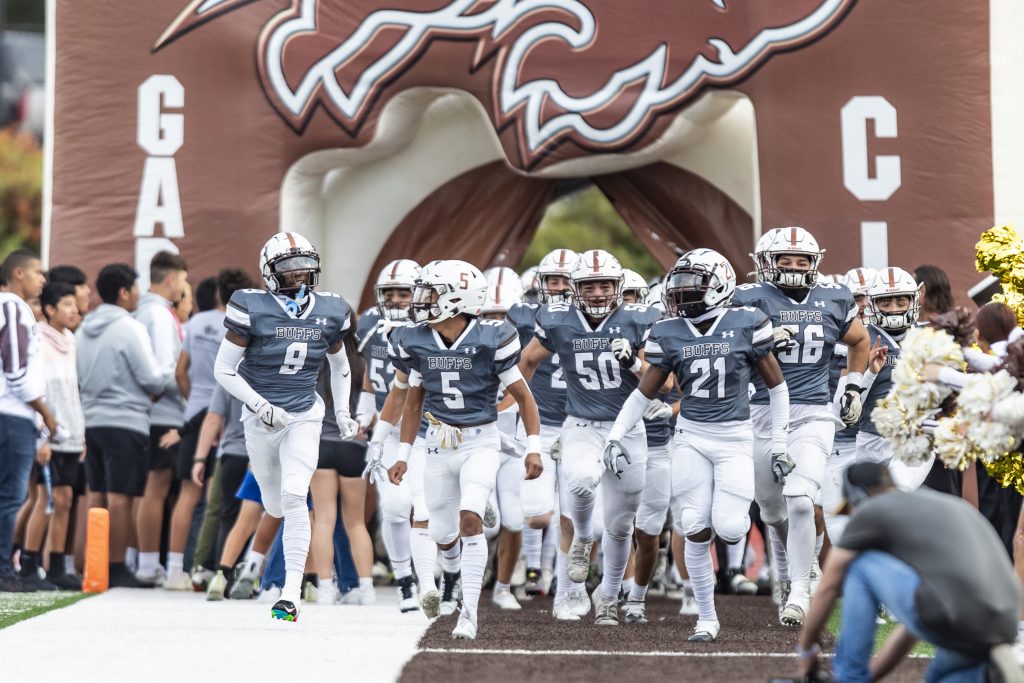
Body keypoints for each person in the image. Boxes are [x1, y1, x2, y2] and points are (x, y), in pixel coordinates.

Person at [606, 249, 790, 641]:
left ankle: (738, 572)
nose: (682, 293)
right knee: (693, 524)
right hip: (691, 436)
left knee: (730, 527)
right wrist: (615, 435)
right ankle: (706, 618)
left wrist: (778, 442)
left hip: (735, 438)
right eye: (680, 284)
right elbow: (643, 393)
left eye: (693, 285)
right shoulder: (669, 331)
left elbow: (777, 387)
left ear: (720, 285)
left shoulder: (747, 322)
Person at [385, 259, 544, 640]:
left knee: (470, 519)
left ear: (457, 298)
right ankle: (452, 570)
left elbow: (524, 398)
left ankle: (468, 614)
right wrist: (404, 453)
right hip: (438, 444)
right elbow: (412, 402)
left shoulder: (492, 337)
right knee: (443, 534)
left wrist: (533, 448)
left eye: (431, 293)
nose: (422, 300)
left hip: (481, 441)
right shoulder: (416, 339)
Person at [513, 249, 662, 626]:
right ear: (575, 289)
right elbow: (527, 362)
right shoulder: (559, 320)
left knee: (619, 524)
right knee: (579, 483)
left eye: (605, 284)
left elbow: (665, 380)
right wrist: (510, 407)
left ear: (617, 286)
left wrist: (633, 362)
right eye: (589, 285)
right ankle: (579, 548)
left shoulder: (638, 319)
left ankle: (608, 597)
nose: (597, 292)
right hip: (580, 423)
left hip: (628, 428)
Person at [213, 232, 357, 622]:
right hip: (260, 419)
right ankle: (285, 580)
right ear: (269, 272)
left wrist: (341, 412)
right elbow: (223, 369)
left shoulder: (330, 310)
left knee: (295, 497)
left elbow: (340, 366)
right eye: (289, 271)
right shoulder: (251, 306)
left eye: (304, 270)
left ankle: (290, 593)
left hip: (303, 414)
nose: (298, 277)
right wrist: (259, 405)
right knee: (273, 502)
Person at [732, 227, 869, 627]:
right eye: (785, 260)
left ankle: (799, 591)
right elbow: (725, 351)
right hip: (759, 412)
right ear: (765, 263)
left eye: (802, 260)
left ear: (815, 263)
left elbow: (859, 342)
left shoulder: (834, 297)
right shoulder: (746, 299)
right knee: (772, 511)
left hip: (812, 413)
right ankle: (799, 567)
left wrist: (852, 386)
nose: (794, 267)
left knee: (800, 498)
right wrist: (758, 342)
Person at [798, 463, 1021, 683]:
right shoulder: (942, 508)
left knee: (859, 566)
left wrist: (806, 649)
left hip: (955, 615)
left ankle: (849, 676)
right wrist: (869, 678)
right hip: (1001, 624)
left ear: (857, 497)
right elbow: (912, 627)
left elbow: (829, 585)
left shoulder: (874, 508)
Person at [77, 263, 176, 588]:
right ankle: (116, 567)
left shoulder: (83, 327)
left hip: (91, 420)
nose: (139, 294)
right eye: (135, 288)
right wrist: (171, 374)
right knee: (123, 497)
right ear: (123, 292)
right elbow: (151, 377)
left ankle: (91, 565)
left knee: (97, 495)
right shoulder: (129, 327)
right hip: (127, 421)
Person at [505, 249, 582, 618]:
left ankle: (557, 578)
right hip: (537, 426)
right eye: (554, 280)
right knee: (537, 512)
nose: (562, 287)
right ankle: (536, 564)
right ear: (542, 284)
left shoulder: (595, 318)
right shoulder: (523, 316)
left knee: (573, 515)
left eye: (568, 279)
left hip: (581, 427)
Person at [352, 259, 422, 612]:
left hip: (431, 430)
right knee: (395, 509)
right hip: (390, 428)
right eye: (389, 293)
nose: (395, 299)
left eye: (403, 292)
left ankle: (439, 575)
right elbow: (370, 370)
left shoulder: (431, 326)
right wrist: (366, 409)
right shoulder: (369, 324)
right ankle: (406, 580)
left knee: (429, 511)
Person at [19, 281, 85, 591]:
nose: (75, 310)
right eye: (68, 305)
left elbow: (72, 391)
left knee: (65, 499)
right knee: (44, 499)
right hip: (49, 434)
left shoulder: (71, 340)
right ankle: (29, 564)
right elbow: (37, 391)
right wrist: (42, 436)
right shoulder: (38, 341)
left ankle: (57, 566)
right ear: (49, 309)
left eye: (75, 304)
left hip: (72, 434)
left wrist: (80, 433)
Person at [0, 250, 57, 592]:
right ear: (18, 273)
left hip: (10, 414)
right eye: (38, 272)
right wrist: (46, 413)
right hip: (13, 414)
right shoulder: (12, 305)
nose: (43, 280)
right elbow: (17, 369)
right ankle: (5, 569)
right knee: (10, 497)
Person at [133, 251, 190, 585]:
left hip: (151, 412)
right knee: (157, 487)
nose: (183, 289)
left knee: (154, 488)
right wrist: (187, 394)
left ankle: (145, 560)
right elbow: (166, 368)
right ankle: (149, 563)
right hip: (164, 412)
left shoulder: (141, 312)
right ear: (171, 279)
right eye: (182, 281)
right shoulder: (159, 315)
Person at [481, 266, 529, 611]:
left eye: (503, 313)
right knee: (483, 522)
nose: (497, 321)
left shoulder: (527, 338)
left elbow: (525, 393)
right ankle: (454, 578)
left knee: (513, 518)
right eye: (489, 314)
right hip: (478, 437)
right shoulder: (465, 339)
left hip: (513, 437)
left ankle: (503, 585)